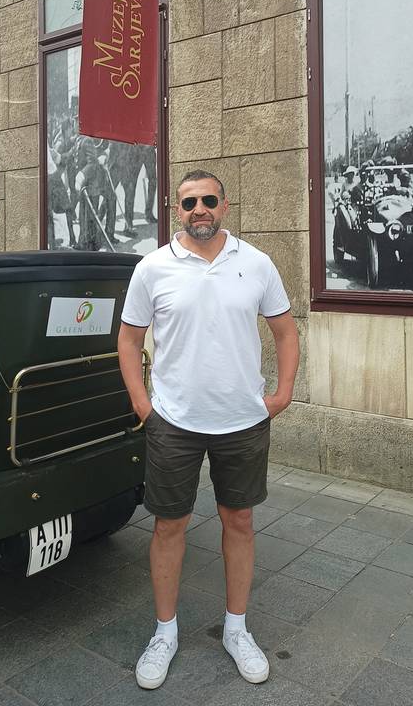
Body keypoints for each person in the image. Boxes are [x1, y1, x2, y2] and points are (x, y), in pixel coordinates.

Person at [117, 170, 300, 691]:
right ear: (176, 210)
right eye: (189, 201)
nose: (199, 208)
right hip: (173, 423)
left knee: (238, 520)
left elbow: (285, 331)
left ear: (224, 205)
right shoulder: (153, 268)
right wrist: (143, 405)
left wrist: (282, 394)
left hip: (242, 420)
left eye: (209, 200)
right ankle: (165, 633)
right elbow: (128, 341)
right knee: (168, 526)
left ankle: (236, 630)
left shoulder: (256, 263)